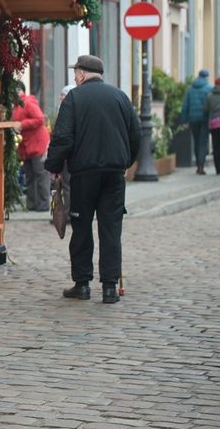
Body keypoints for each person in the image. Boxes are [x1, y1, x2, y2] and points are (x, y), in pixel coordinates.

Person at [45, 55, 140, 304]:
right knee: (111, 228)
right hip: (114, 174)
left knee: (82, 228)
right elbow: (135, 134)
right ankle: (109, 288)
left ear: (82, 73)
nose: (74, 77)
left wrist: (54, 166)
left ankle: (83, 284)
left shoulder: (74, 98)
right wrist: (125, 161)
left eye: (75, 73)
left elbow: (63, 137)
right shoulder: (120, 96)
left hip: (84, 174)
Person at [12, 90, 51, 211]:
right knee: (30, 175)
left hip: (37, 143)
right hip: (27, 146)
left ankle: (43, 205)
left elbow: (40, 119)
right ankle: (32, 204)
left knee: (41, 174)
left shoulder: (28, 103)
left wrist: (22, 125)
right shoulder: (17, 105)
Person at [180, 69, 213, 174]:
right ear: (206, 77)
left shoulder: (190, 89)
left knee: (196, 141)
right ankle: (201, 166)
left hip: (193, 119)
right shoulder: (209, 88)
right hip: (204, 119)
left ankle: (198, 163)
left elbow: (185, 105)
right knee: (203, 142)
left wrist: (184, 119)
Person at [57, 84, 76, 217]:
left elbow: (63, 135)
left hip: (68, 154)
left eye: (62, 94)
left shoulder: (68, 110)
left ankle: (70, 212)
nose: (60, 97)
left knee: (68, 185)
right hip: (72, 153)